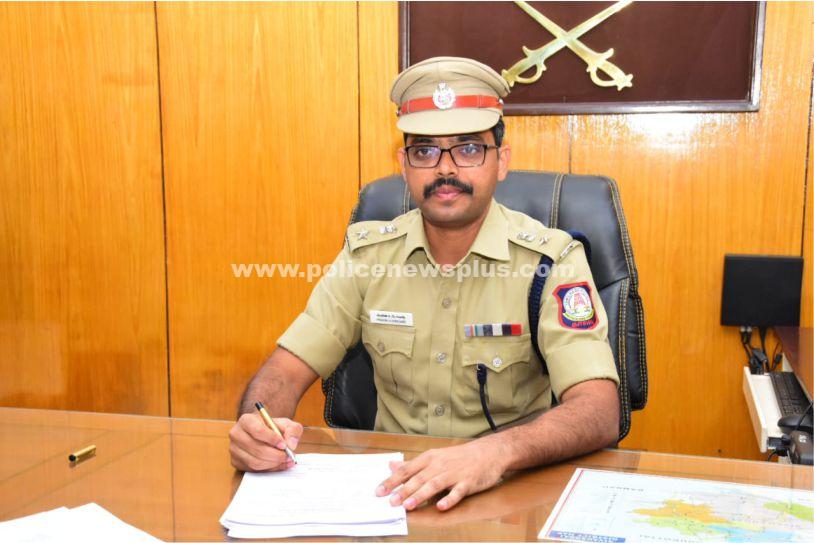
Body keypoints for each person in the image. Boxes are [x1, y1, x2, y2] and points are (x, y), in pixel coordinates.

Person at [228, 56, 620, 512]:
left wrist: (495, 452)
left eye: (468, 149)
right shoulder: (367, 256)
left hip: (507, 498)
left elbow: (599, 409)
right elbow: (284, 371)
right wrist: (257, 428)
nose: (444, 169)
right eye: (425, 151)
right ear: (404, 164)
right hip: (389, 500)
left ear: (502, 161)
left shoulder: (550, 261)